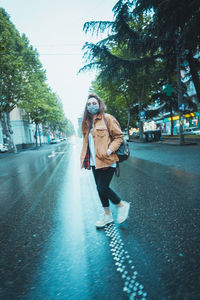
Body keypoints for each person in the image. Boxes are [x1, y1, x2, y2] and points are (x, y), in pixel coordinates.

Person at [80, 93, 130, 228]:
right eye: (89, 104)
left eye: (94, 103)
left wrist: (109, 150)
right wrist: (84, 158)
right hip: (94, 162)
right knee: (99, 189)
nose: (91, 105)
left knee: (103, 187)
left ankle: (121, 205)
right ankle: (107, 216)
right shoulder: (86, 123)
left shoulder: (107, 118)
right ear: (86, 107)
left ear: (99, 104)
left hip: (107, 159)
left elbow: (119, 137)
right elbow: (87, 143)